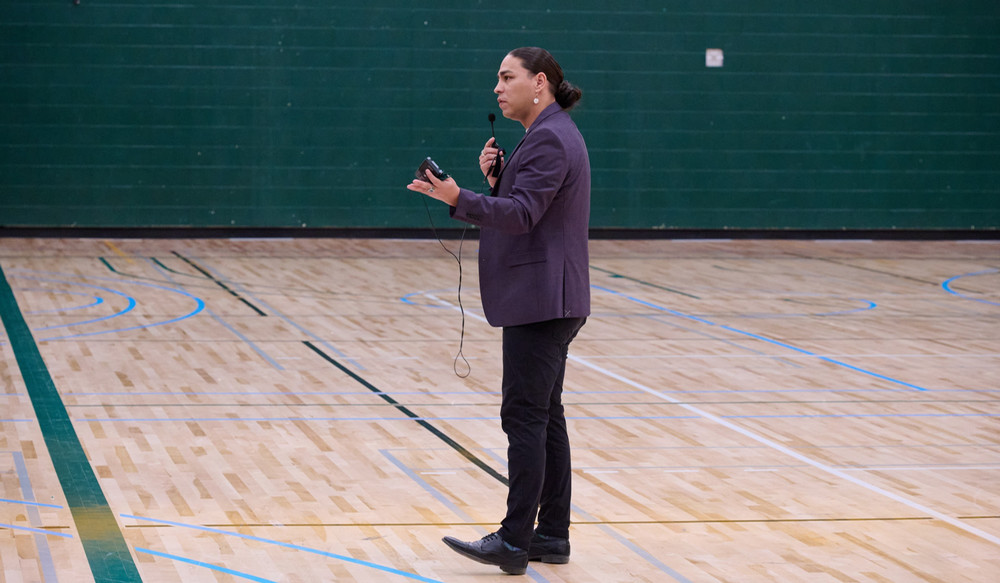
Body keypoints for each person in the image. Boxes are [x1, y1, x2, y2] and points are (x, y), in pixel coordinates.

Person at [407, 47, 591, 575]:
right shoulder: (548, 135)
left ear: (540, 83)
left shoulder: (551, 138)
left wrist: (457, 196)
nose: (497, 86)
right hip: (552, 299)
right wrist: (497, 181)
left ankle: (514, 541)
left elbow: (524, 215)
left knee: (525, 418)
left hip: (543, 302)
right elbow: (530, 205)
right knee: (545, 416)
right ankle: (551, 534)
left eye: (506, 77)